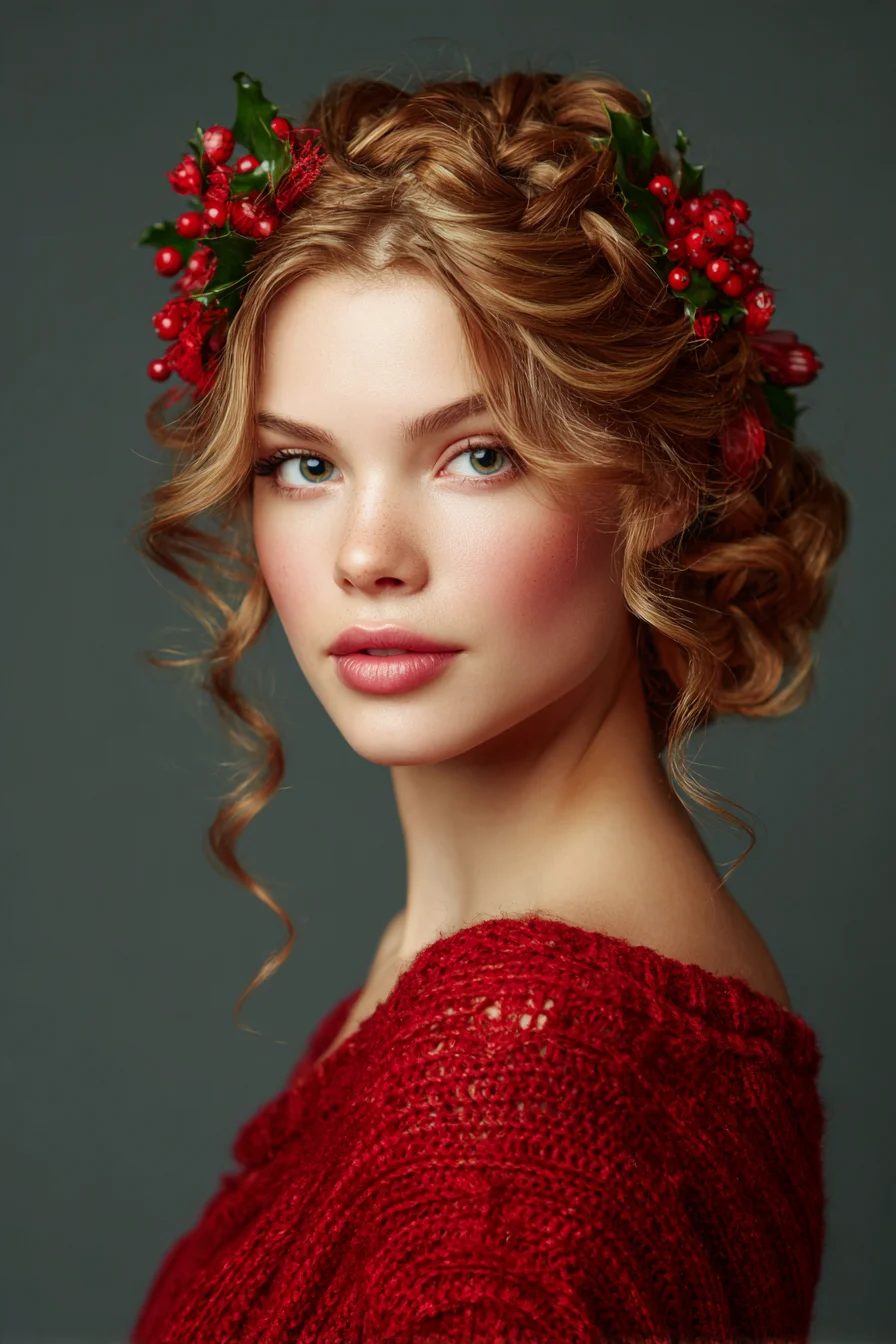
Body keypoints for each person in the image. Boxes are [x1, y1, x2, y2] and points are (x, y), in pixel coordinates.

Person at [130, 67, 848, 1343]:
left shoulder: (518, 1128)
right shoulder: (460, 973)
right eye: (303, 464)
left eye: (477, 454)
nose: (365, 554)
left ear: (660, 480)